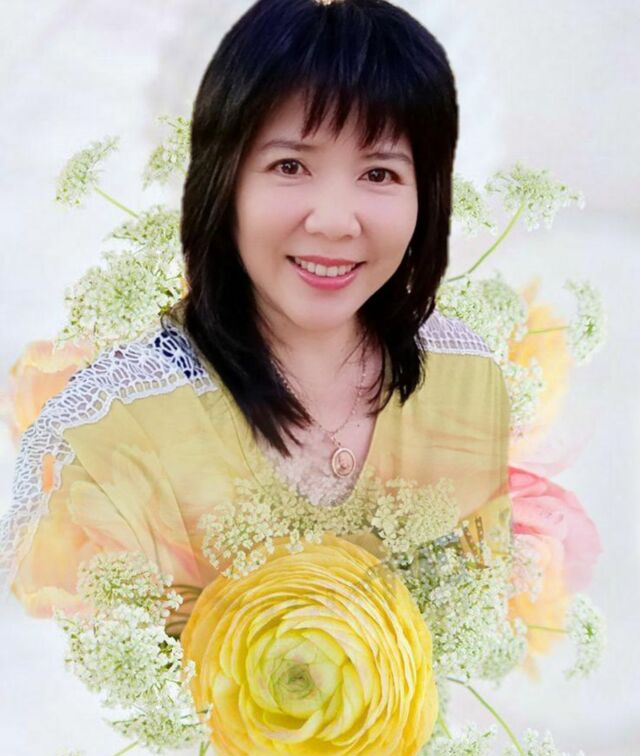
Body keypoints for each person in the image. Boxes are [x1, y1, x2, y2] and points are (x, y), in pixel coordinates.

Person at [0, 0, 512, 634]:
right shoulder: (119, 421)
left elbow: (476, 633)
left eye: (379, 172)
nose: (333, 221)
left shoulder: (470, 383)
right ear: (223, 181)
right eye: (290, 166)